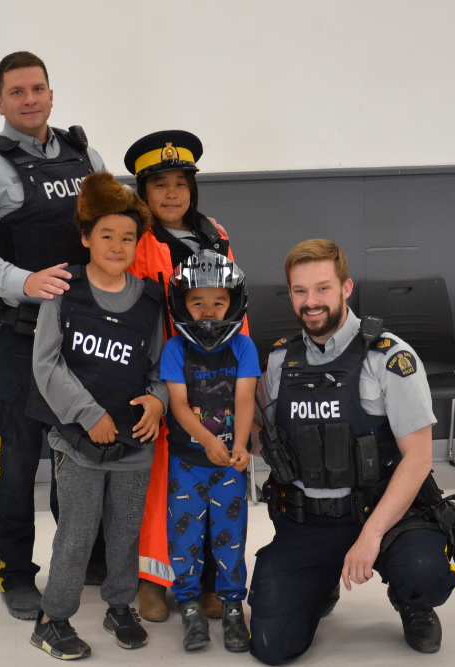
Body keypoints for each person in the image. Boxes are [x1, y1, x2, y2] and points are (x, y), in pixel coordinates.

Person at [0, 51, 106, 619]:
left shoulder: (86, 156)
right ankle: (15, 574)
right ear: (0, 102)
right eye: (17, 92)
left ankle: (83, 555)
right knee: (15, 460)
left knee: (80, 454)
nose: (30, 99)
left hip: (80, 337)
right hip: (15, 335)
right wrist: (26, 282)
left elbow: (115, 228)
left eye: (38, 88)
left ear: (51, 93)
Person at [249, 240, 455, 665]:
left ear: (346, 287)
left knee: (426, 574)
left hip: (383, 512)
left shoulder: (389, 357)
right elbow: (259, 440)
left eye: (323, 289)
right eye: (300, 291)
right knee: (272, 647)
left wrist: (372, 535)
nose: (311, 302)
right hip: (307, 520)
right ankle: (321, 580)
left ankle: (412, 602)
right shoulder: (277, 363)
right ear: (289, 294)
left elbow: (418, 458)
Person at [27, 172, 167, 658]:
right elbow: (46, 363)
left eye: (127, 237)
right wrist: (88, 414)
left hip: (133, 444)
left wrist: (157, 401)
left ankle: (119, 606)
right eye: (106, 235)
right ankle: (53, 618)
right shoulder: (65, 289)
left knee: (125, 533)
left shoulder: (151, 301)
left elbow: (157, 369)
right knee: (78, 534)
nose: (117, 245)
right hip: (78, 441)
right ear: (86, 237)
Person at [124, 130, 248, 622]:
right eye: (160, 185)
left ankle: (215, 578)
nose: (172, 193)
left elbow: (237, 309)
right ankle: (155, 579)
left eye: (181, 182)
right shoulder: (136, 240)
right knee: (163, 486)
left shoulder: (215, 236)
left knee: (218, 483)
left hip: (216, 381)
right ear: (143, 193)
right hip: (162, 377)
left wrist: (246, 377)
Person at [160, 250, 260, 652]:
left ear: (232, 303)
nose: (208, 310)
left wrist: (239, 447)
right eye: (196, 301)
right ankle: (190, 609)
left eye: (218, 301)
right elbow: (179, 407)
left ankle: (233, 607)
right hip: (187, 462)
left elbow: (245, 400)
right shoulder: (174, 349)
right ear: (181, 304)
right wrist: (208, 440)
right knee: (183, 543)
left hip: (228, 466)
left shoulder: (243, 346)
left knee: (230, 538)